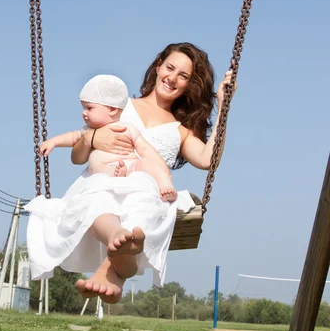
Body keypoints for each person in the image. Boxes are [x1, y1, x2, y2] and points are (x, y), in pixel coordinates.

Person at [26, 42, 235, 304]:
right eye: (170, 68)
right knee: (97, 200)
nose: (172, 78)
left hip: (145, 192)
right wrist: (93, 139)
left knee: (144, 207)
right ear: (158, 66)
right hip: (101, 185)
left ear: (189, 85)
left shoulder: (179, 129)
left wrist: (225, 105)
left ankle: (110, 269)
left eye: (183, 76)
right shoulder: (119, 106)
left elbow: (208, 160)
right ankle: (116, 252)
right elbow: (77, 157)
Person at [39, 74, 178, 202]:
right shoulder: (88, 131)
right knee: (99, 173)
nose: (84, 113)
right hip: (104, 172)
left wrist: (163, 169)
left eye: (89, 108)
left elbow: (146, 150)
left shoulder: (127, 128)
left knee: (148, 163)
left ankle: (165, 184)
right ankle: (118, 176)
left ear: (112, 109)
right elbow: (72, 137)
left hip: (130, 166)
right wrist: (53, 142)